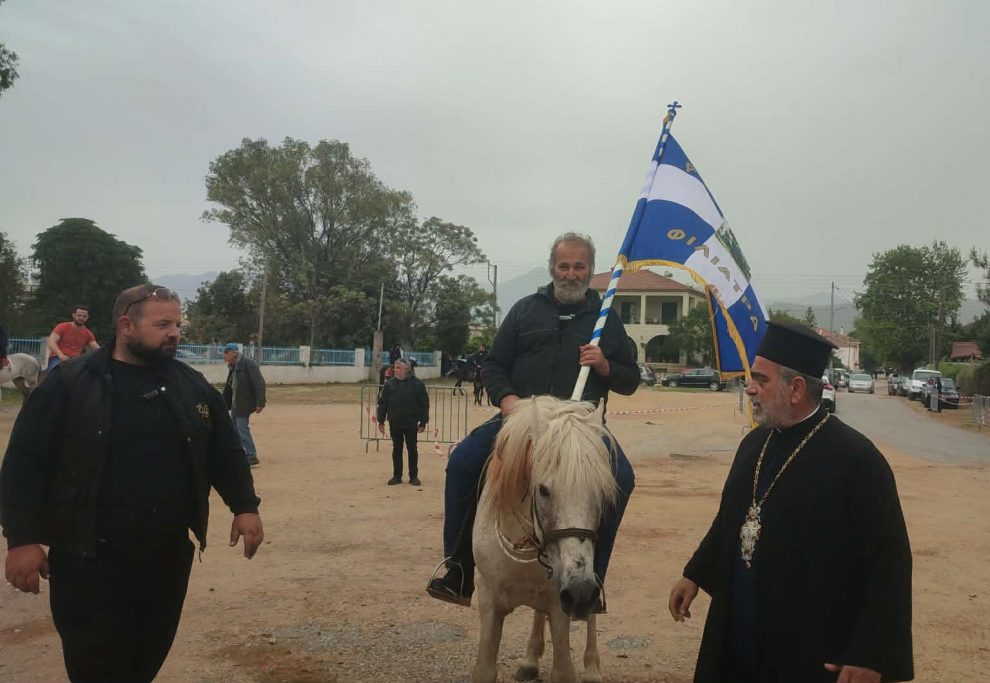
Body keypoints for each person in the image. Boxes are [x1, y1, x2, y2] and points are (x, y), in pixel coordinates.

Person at [0, 284, 264, 683]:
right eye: (163, 324)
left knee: (144, 661)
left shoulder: (190, 385)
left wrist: (245, 506)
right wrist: (21, 539)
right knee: (98, 667)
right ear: (126, 325)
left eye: (177, 323)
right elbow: (24, 463)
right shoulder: (69, 385)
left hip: (166, 556)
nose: (175, 332)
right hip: (89, 558)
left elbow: (224, 451)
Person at [668, 321, 913, 683]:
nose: (750, 388)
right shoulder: (754, 444)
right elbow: (733, 520)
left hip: (807, 649)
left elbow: (889, 565)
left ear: (796, 388)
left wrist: (870, 654)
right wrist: (695, 573)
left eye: (761, 380)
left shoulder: (858, 461)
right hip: (738, 636)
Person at [426, 232, 639, 608]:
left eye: (579, 266)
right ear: (552, 268)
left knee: (622, 478)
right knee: (462, 463)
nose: (571, 273)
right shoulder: (525, 310)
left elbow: (631, 380)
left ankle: (593, 578)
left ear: (591, 271)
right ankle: (458, 569)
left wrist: (605, 365)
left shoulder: (606, 320)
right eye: (564, 265)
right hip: (522, 419)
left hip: (581, 426)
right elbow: (493, 365)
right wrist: (507, 401)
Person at [376, 358, 430, 486]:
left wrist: (423, 422)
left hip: (411, 422)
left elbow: (424, 404)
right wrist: (381, 421)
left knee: (412, 449)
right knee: (397, 449)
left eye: (398, 368)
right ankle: (397, 476)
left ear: (406, 369)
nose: (395, 370)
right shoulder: (390, 384)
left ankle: (413, 476)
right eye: (395, 367)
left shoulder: (417, 384)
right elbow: (383, 403)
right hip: (395, 422)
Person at [222, 342, 267, 467]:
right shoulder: (233, 367)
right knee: (234, 431)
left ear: (234, 352)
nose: (224, 355)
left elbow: (259, 383)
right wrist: (223, 404)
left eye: (226, 352)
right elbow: (229, 388)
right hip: (236, 403)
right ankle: (237, 454)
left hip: (244, 403)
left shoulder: (248, 364)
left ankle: (251, 455)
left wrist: (260, 402)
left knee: (242, 429)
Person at [45, 305, 100, 373]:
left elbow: (97, 348)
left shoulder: (88, 333)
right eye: (79, 315)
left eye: (84, 316)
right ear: (73, 315)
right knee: (55, 372)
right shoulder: (62, 327)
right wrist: (60, 354)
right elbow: (51, 342)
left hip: (76, 361)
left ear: (87, 317)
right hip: (58, 358)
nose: (81, 318)